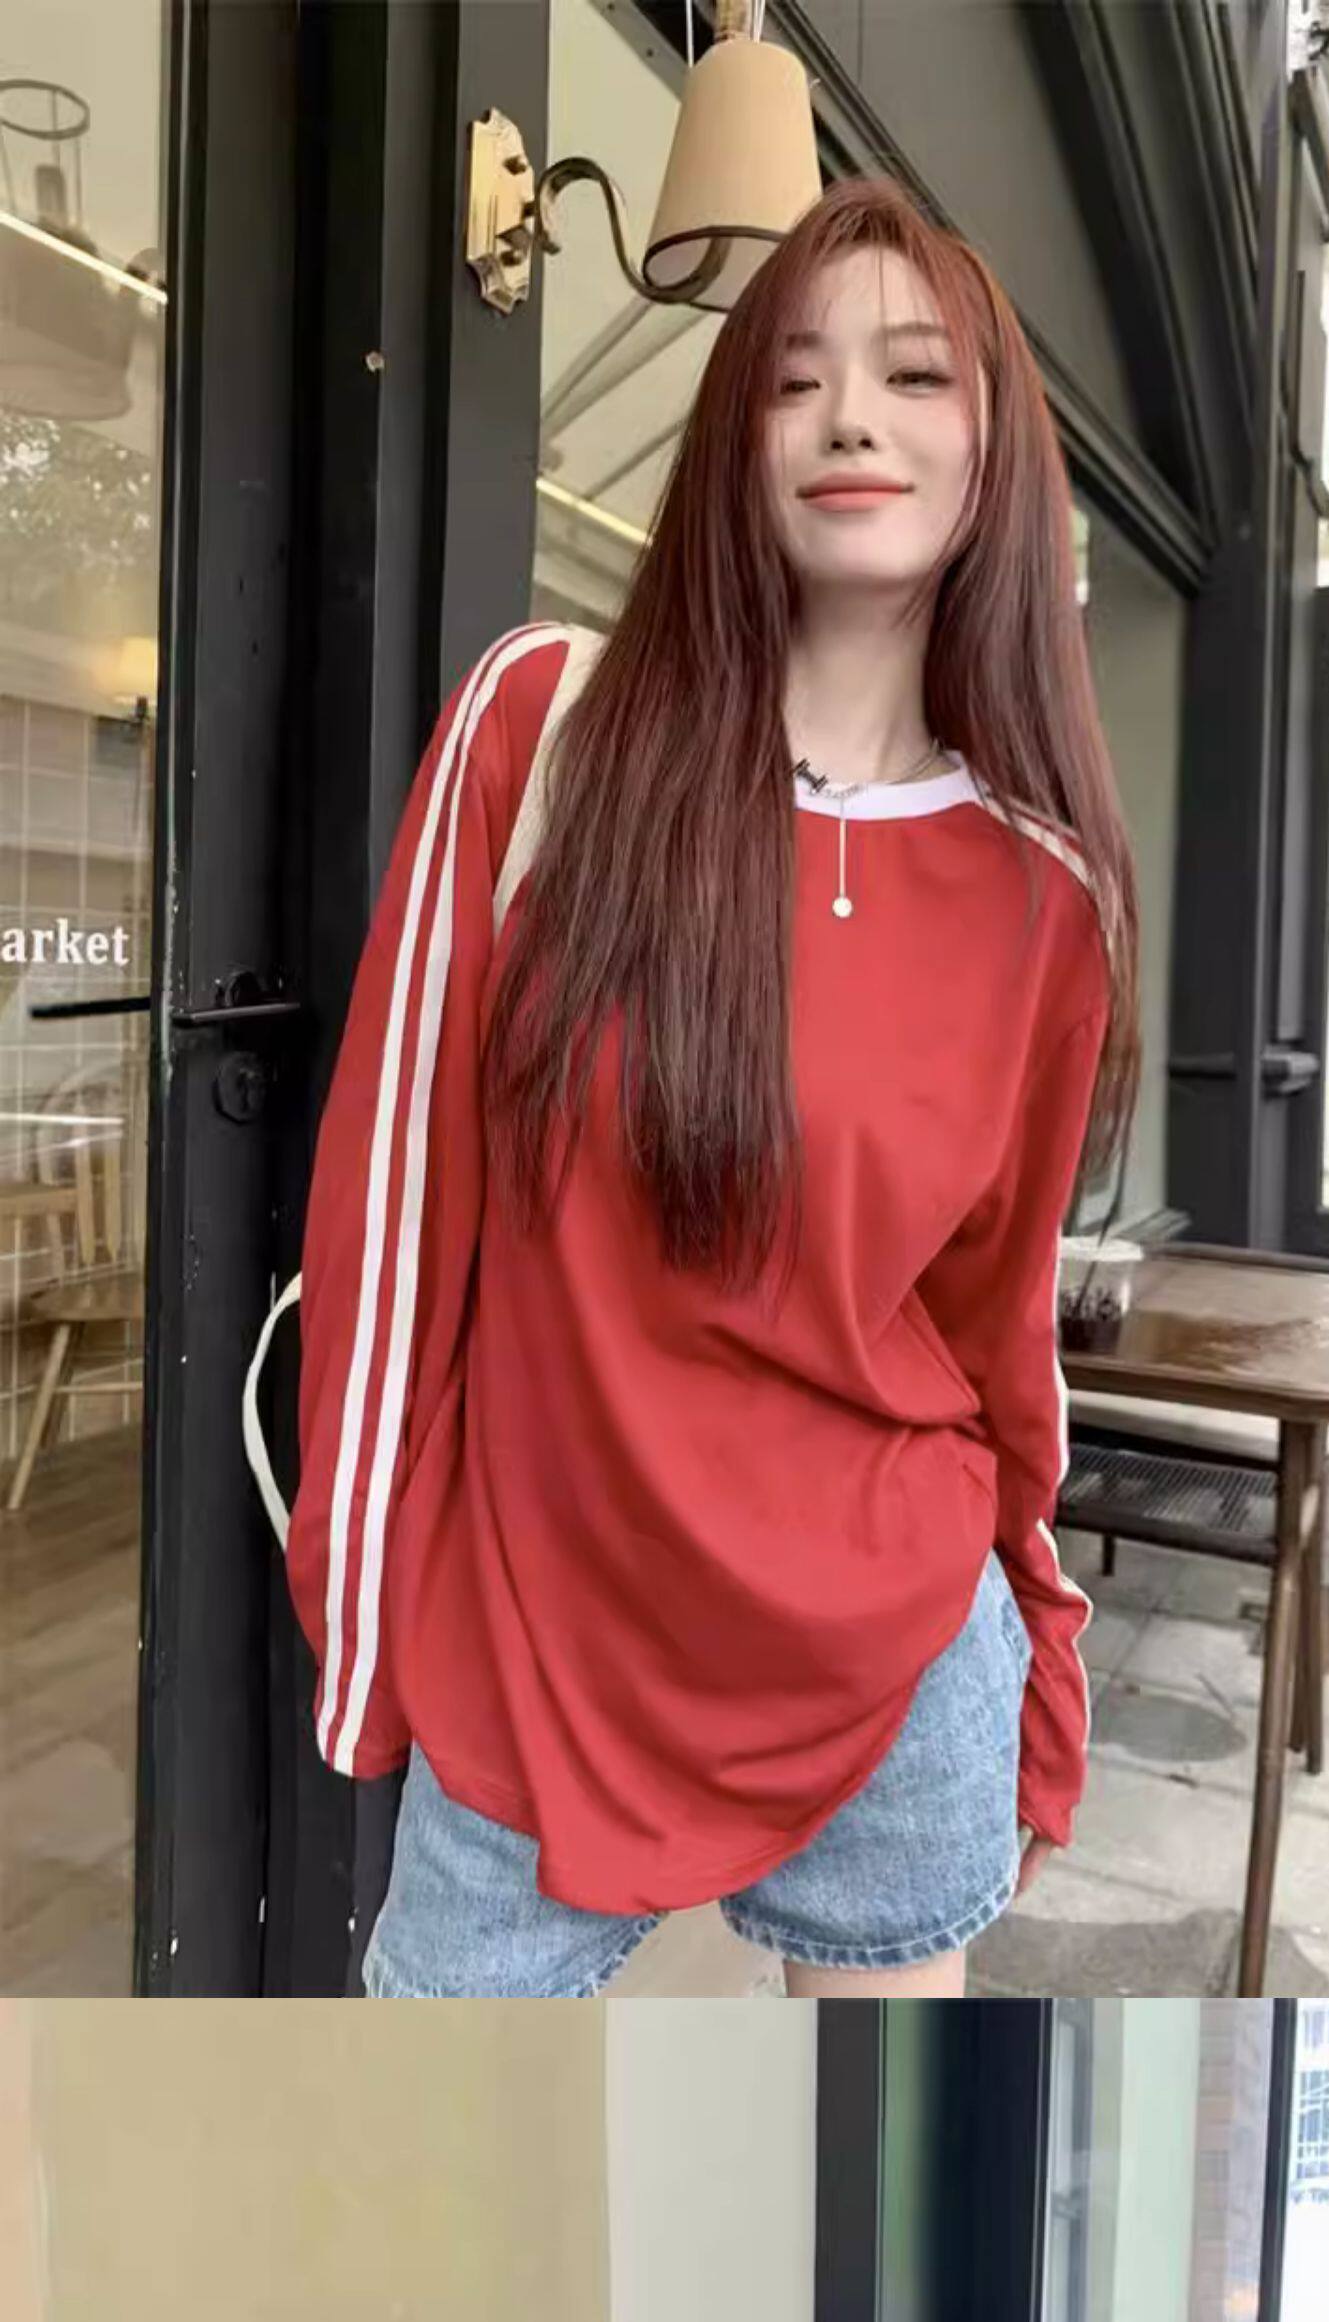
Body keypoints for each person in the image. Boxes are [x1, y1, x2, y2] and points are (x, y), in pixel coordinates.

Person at [285, 174, 1141, 1998]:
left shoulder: (1042, 892)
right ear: (738, 439)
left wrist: (1043, 1664)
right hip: (532, 1667)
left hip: (901, 1674)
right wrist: (366, 1625)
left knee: (876, 2171)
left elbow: (998, 1334)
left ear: (994, 444)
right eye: (794, 378)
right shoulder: (547, 732)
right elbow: (393, 1213)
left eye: (915, 374)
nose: (849, 418)